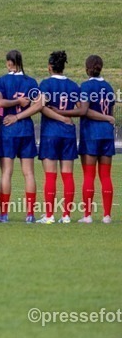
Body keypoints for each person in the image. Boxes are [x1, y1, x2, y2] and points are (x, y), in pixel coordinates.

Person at [0, 50, 42, 223]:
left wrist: (13, 116)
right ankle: (30, 215)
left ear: (9, 63)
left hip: (8, 130)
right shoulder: (31, 82)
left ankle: (4, 214)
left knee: (6, 172)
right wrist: (20, 116)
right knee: (29, 173)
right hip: (26, 129)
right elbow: (38, 105)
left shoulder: (1, 81)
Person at [37, 51, 83, 224]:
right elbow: (80, 110)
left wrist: (60, 116)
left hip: (50, 133)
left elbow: (41, 106)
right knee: (68, 175)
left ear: (50, 67)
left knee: (50, 175)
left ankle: (49, 216)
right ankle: (66, 216)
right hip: (68, 133)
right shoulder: (73, 85)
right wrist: (66, 116)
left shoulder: (46, 84)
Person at [77, 55, 114, 224]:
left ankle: (88, 215)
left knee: (89, 176)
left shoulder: (85, 87)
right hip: (107, 134)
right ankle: (107, 215)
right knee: (106, 176)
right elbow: (110, 114)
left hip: (91, 134)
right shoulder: (109, 87)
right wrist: (107, 119)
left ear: (87, 68)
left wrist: (104, 118)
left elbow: (85, 111)